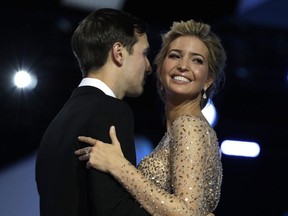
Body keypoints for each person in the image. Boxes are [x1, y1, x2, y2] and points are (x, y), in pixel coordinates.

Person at [75, 18, 227, 215]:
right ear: (160, 67)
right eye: (175, 56)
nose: (183, 66)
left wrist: (118, 166)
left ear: (208, 80)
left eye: (196, 60)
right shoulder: (186, 128)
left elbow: (187, 213)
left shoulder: (189, 127)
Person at [35, 8, 152, 216]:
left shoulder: (55, 126)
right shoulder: (111, 111)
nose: (149, 66)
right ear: (119, 52)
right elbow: (117, 211)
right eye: (144, 54)